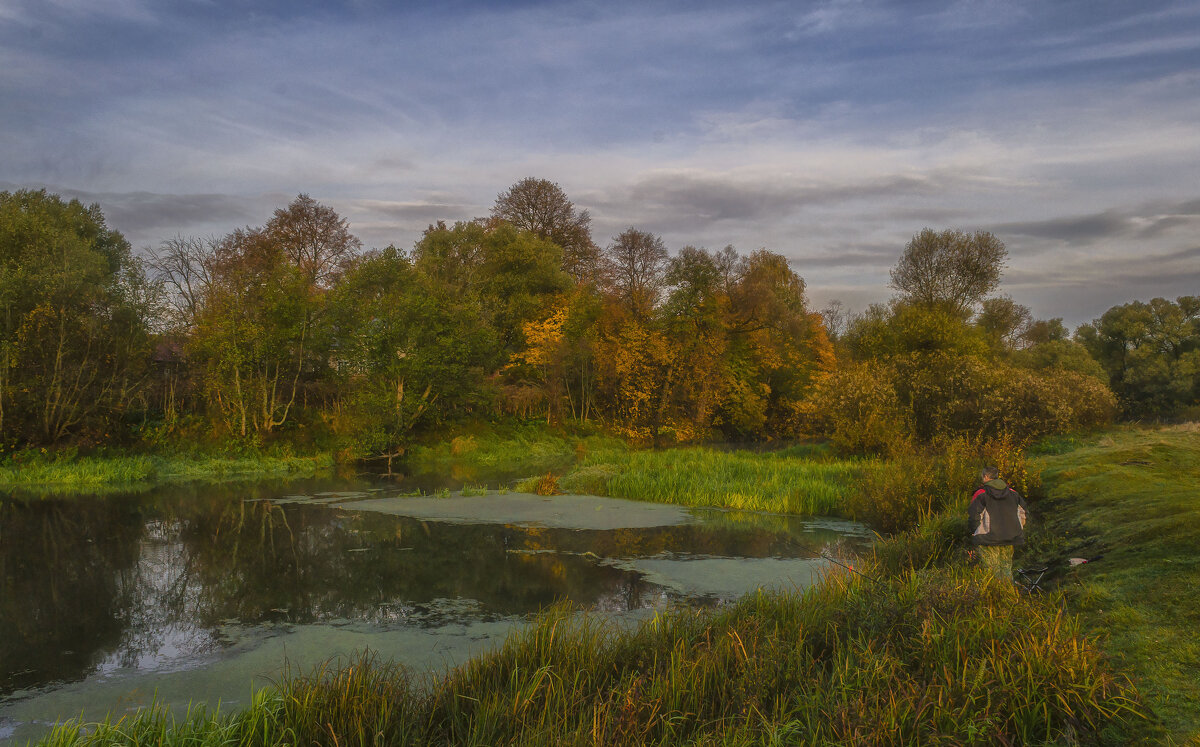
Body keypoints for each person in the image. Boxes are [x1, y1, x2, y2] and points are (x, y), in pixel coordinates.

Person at [967, 466, 1029, 583]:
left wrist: (974, 532)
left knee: (991, 572)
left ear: (985, 477)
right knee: (1006, 570)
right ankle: (1009, 596)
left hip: (987, 539)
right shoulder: (1013, 493)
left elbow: (974, 516)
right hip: (1010, 537)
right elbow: (1023, 513)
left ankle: (995, 598)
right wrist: (1016, 529)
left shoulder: (981, 493)